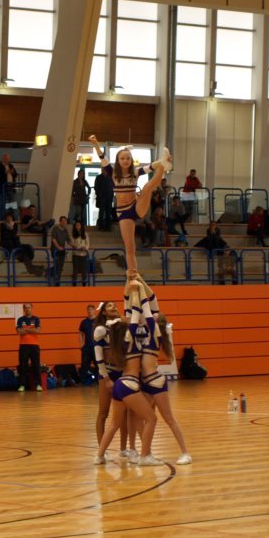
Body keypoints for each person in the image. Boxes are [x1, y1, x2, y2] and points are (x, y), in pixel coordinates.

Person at [89, 136, 171, 277]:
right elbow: (102, 157)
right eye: (122, 158)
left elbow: (151, 166)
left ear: (131, 160)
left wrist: (161, 162)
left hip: (136, 206)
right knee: (130, 246)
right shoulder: (112, 173)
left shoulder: (136, 172)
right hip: (124, 212)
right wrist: (95, 143)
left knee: (147, 187)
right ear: (118, 161)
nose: (125, 160)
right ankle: (132, 274)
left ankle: (164, 165)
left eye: (128, 158)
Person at [93, 302, 158, 464]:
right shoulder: (101, 330)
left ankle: (124, 449)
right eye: (109, 306)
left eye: (115, 305)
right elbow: (99, 358)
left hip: (122, 373)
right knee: (103, 412)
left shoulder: (122, 328)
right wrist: (106, 379)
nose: (113, 307)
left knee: (124, 413)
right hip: (107, 373)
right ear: (103, 312)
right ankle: (102, 450)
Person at [139, 311, 191, 465]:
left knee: (169, 419)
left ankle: (185, 453)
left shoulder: (155, 335)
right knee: (147, 419)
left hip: (155, 382)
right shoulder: (148, 335)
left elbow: (147, 313)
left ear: (156, 324)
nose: (149, 317)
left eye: (153, 317)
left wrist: (141, 295)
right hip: (145, 383)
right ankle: (145, 454)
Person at [0, 212, 44, 276]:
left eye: (10, 217)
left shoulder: (14, 225)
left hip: (15, 245)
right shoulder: (2, 225)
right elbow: (5, 235)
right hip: (7, 244)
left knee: (25, 251)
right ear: (5, 218)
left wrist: (11, 228)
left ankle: (31, 269)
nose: (9, 219)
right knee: (21, 253)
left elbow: (14, 234)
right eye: (8, 217)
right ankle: (33, 269)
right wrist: (12, 231)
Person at [16, 303, 42, 392]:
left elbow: (37, 331)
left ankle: (38, 385)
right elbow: (19, 332)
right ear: (24, 309)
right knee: (23, 366)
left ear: (31, 308)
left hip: (34, 346)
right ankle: (22, 385)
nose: (27, 309)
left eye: (29, 308)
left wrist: (25, 329)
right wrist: (31, 329)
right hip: (23, 345)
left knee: (36, 366)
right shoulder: (20, 319)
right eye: (26, 308)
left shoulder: (36, 319)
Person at [0, 152, 17, 219]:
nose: (7, 160)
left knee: (12, 203)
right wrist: (5, 172)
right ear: (2, 159)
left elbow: (15, 175)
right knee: (2, 204)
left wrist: (13, 172)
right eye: (5, 158)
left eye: (8, 158)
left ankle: (12, 218)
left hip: (11, 187)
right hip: (2, 188)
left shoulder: (11, 166)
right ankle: (2, 218)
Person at [78, 305, 98, 379]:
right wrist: (81, 344)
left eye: (91, 309)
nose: (89, 311)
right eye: (88, 309)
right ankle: (83, 381)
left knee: (98, 365)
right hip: (86, 347)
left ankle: (98, 381)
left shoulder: (98, 321)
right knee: (84, 365)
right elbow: (80, 333)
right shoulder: (84, 322)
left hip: (96, 347)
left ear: (94, 310)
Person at [50, 216, 70, 285]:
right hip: (55, 250)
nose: (65, 223)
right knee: (57, 265)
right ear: (60, 222)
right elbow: (53, 239)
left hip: (62, 250)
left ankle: (58, 281)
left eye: (66, 221)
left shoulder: (66, 230)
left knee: (60, 266)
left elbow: (68, 240)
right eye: (63, 221)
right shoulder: (55, 229)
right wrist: (58, 247)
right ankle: (55, 281)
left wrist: (74, 245)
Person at [94, 165, 114, 232]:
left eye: (105, 169)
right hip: (101, 198)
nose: (104, 170)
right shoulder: (98, 177)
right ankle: (101, 227)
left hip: (109, 198)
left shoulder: (110, 178)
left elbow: (112, 188)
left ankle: (108, 227)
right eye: (103, 169)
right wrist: (99, 195)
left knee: (108, 213)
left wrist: (111, 196)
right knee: (101, 213)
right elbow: (96, 187)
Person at [70, 220, 90, 287]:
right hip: (75, 254)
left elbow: (88, 243)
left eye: (78, 225)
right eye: (76, 225)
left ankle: (84, 284)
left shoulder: (85, 233)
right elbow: (72, 243)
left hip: (83, 254)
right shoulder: (73, 234)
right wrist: (77, 247)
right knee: (75, 270)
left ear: (81, 226)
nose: (77, 226)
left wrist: (85, 248)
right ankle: (74, 284)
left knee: (84, 270)